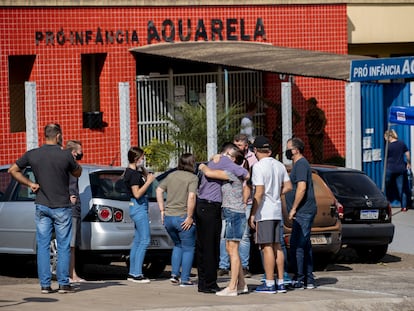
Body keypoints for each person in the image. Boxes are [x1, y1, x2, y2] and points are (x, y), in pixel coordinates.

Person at [8, 123, 82, 294]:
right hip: (62, 206)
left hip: (41, 204)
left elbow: (13, 170)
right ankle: (64, 284)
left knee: (42, 245)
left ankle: (45, 286)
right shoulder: (65, 155)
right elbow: (77, 172)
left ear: (44, 136)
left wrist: (31, 183)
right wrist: (75, 162)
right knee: (63, 245)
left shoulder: (33, 154)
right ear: (58, 136)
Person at [196, 143, 249, 294]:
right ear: (228, 154)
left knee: (207, 247)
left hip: (207, 206)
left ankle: (207, 283)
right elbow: (245, 173)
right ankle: (211, 284)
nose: (232, 161)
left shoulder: (220, 164)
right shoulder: (226, 162)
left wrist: (204, 165)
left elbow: (210, 172)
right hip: (214, 208)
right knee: (212, 247)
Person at [249, 136, 292, 294]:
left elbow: (259, 192)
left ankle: (269, 282)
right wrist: (275, 194)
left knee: (266, 247)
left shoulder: (258, 167)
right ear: (269, 150)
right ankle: (280, 281)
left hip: (265, 211)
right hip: (276, 210)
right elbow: (288, 186)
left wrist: (253, 213)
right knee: (278, 246)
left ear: (255, 150)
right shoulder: (279, 165)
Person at [156, 153, 199, 287]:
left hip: (169, 217)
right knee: (188, 248)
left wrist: (162, 210)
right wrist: (190, 216)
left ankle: (174, 274)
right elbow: (191, 197)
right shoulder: (192, 178)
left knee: (177, 245)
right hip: (183, 217)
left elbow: (158, 190)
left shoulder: (171, 175)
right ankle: (185, 279)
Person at [218, 133, 257, 278]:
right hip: (228, 202)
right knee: (224, 234)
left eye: (239, 145)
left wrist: (245, 198)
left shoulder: (253, 160)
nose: (237, 148)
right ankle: (223, 265)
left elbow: (250, 182)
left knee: (244, 235)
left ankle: (244, 266)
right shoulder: (228, 159)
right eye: (235, 145)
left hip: (246, 203)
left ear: (246, 146)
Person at [284, 137, 317, 289]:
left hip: (303, 211)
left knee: (297, 245)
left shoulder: (301, 164)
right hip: (302, 212)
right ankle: (308, 279)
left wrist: (294, 208)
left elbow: (302, 188)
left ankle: (300, 278)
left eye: (288, 148)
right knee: (305, 245)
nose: (287, 151)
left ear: (295, 150)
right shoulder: (298, 164)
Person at [123, 146, 155, 283]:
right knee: (145, 240)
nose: (144, 160)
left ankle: (132, 272)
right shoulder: (134, 175)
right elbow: (137, 194)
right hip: (138, 207)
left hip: (137, 207)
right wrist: (148, 182)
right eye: (142, 158)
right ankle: (137, 273)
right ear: (136, 159)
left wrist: (144, 172)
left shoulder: (132, 172)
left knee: (137, 240)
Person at [65, 139, 86, 283]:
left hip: (75, 207)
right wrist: (68, 196)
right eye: (80, 151)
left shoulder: (72, 166)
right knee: (70, 244)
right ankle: (70, 275)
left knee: (72, 245)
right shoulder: (67, 167)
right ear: (73, 152)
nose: (81, 153)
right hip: (70, 208)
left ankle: (72, 274)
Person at [384, 129, 411, 212]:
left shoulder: (388, 146)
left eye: (385, 137)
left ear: (389, 136)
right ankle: (404, 207)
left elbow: (386, 158)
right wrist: (409, 163)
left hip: (390, 169)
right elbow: (407, 154)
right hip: (401, 169)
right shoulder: (402, 143)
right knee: (401, 188)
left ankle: (387, 204)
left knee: (387, 186)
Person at [305, 97, 327, 164]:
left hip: (317, 135)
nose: (308, 105)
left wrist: (320, 131)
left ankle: (320, 163)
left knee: (318, 150)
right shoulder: (308, 112)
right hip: (311, 134)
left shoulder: (319, 112)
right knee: (313, 150)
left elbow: (323, 122)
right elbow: (306, 122)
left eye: (309, 104)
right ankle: (315, 162)